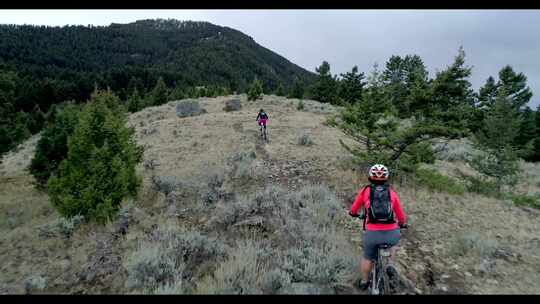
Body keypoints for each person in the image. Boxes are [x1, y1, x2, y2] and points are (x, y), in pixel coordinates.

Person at [349, 164, 407, 290]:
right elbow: (401, 215)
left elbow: (353, 209)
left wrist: (354, 214)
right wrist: (402, 223)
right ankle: (390, 264)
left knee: (368, 257)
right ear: (386, 178)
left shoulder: (365, 191)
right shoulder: (391, 193)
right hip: (392, 233)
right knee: (393, 243)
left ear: (370, 177)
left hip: (372, 234)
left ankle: (364, 281)